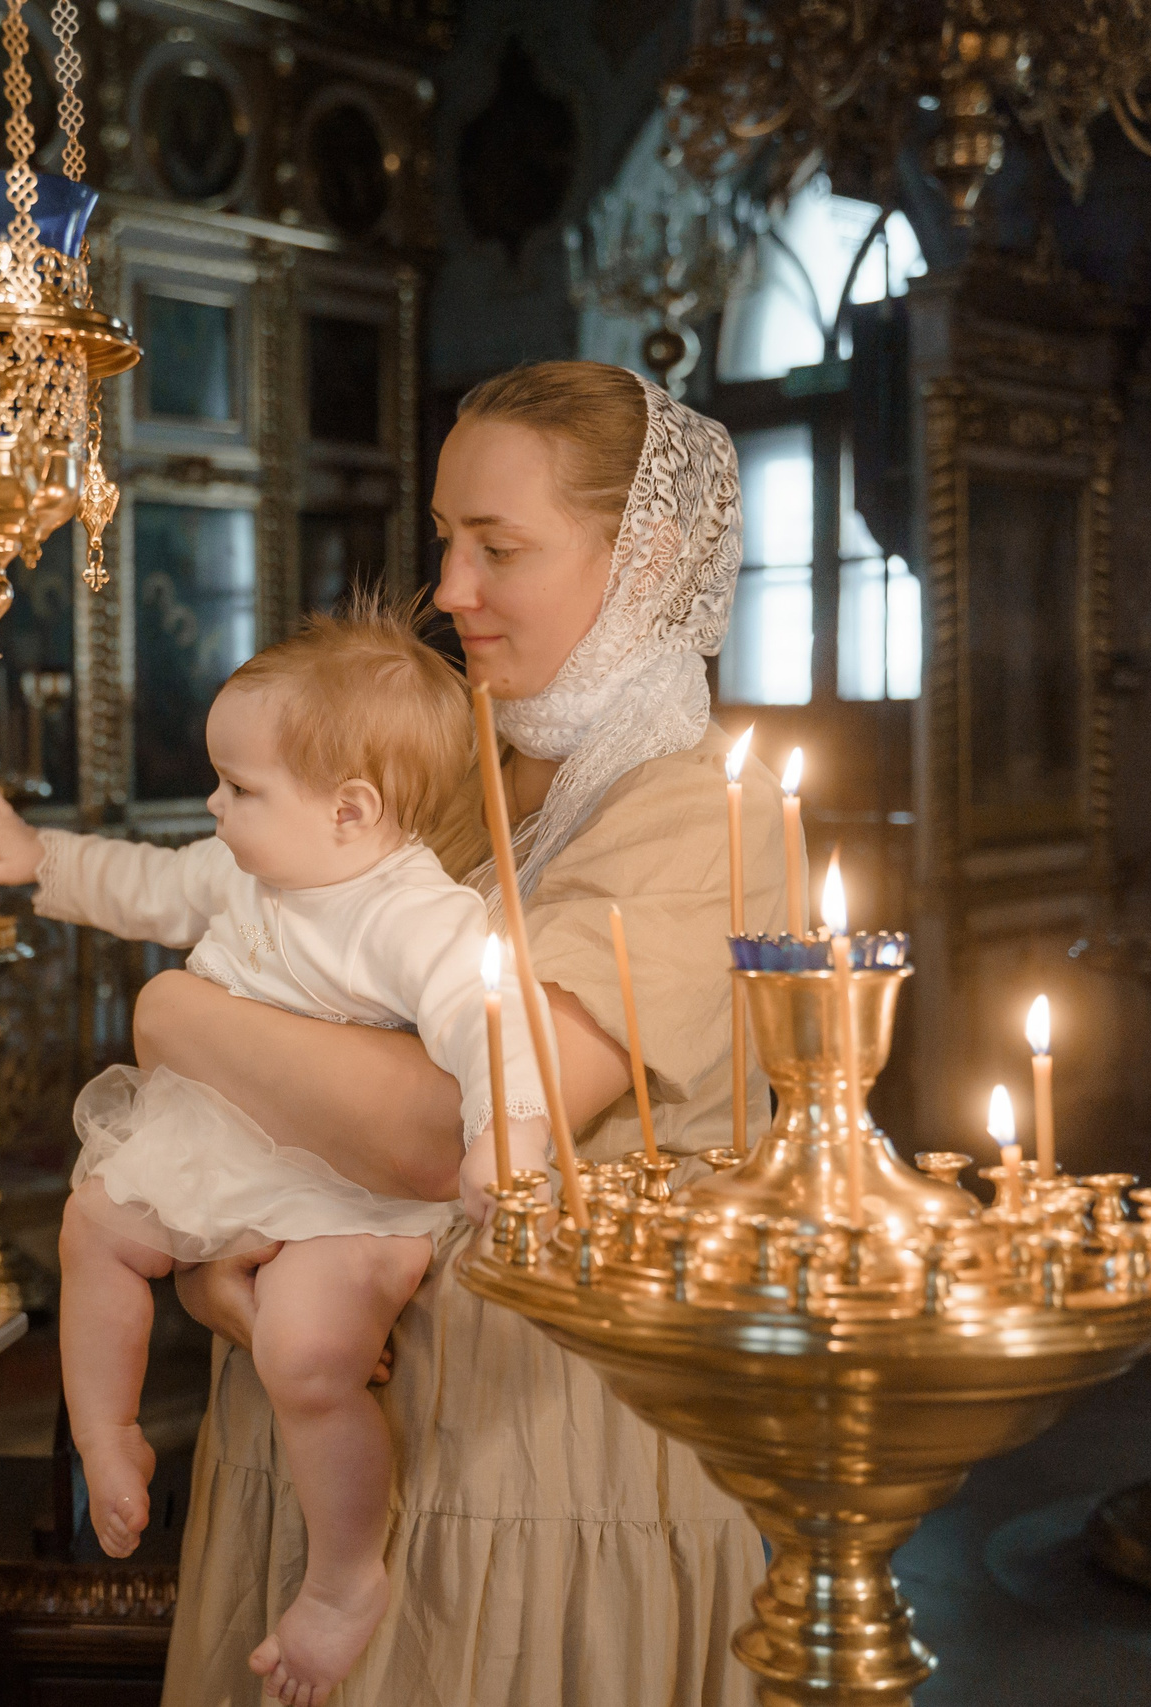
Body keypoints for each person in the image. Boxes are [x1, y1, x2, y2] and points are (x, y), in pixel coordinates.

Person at [145, 361, 784, 1706]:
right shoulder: (441, 766)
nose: (448, 588)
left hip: (540, 1463)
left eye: (499, 546)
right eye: (445, 538)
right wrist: (217, 1252)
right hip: (324, 1427)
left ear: (645, 556)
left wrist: (172, 1015)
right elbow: (292, 1051)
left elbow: (446, 1129)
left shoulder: (706, 815)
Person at [0, 610, 552, 1705]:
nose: (215, 807)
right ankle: (109, 1433)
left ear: (349, 810)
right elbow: (151, 887)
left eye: (238, 787)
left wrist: (503, 1139)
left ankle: (343, 1577)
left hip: (350, 1187)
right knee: (96, 1225)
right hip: (235, 1147)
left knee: (306, 1354)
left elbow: (486, 1021)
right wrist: (45, 861)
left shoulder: (415, 913)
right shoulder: (249, 872)